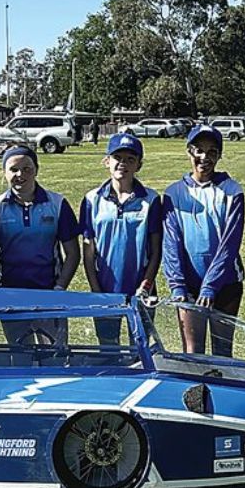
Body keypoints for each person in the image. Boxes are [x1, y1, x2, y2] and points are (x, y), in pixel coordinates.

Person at [162, 124, 245, 356]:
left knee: (222, 352)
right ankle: (196, 394)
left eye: (212, 152)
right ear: (189, 151)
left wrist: (210, 287)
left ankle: (223, 394)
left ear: (219, 155)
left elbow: (230, 244)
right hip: (188, 285)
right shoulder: (173, 193)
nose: (204, 157)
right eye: (199, 150)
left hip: (226, 283)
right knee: (192, 351)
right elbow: (171, 243)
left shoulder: (232, 191)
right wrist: (177, 284)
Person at [79, 133, 163, 344]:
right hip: (105, 288)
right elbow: (88, 251)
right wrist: (96, 290)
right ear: (107, 161)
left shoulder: (151, 200)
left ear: (139, 165)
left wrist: (146, 284)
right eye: (117, 157)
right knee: (108, 349)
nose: (123, 164)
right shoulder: (92, 199)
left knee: (141, 348)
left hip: (141, 288)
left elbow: (155, 249)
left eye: (130, 159)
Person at [0, 145, 80, 287]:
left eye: (27, 169)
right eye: (13, 170)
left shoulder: (57, 204)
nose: (20, 174)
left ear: (36, 170)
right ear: (4, 172)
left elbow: (72, 253)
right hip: (7, 289)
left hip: (49, 288)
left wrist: (60, 286)